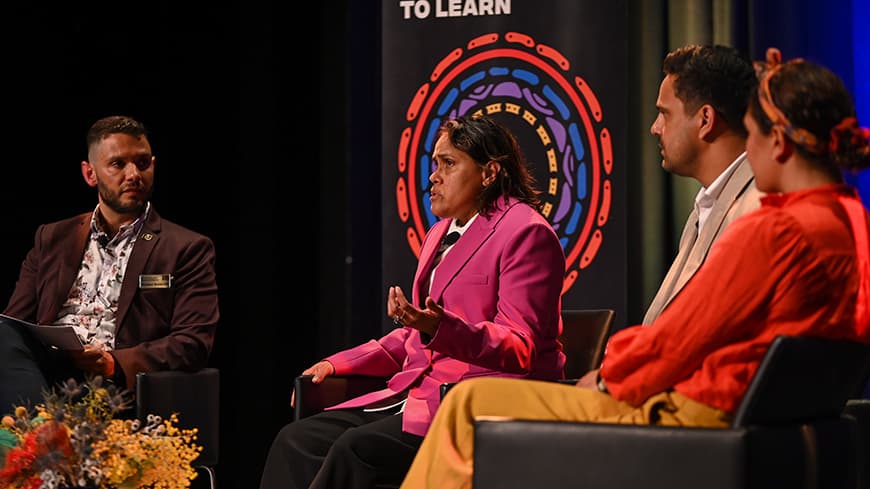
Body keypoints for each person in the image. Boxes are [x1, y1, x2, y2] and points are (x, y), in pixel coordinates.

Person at [400, 48, 870, 488]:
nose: (747, 146)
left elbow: (683, 335)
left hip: (692, 414)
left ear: (779, 142)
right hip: (747, 416)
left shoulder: (776, 227)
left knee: (465, 403)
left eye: (751, 132)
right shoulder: (851, 218)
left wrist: (607, 376)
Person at [259, 114, 566, 489]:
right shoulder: (439, 232)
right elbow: (411, 339)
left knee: (355, 450)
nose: (434, 176)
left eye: (449, 164)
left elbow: (521, 346)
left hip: (476, 404)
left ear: (489, 173)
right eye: (435, 164)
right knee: (296, 440)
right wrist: (335, 364)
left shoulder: (526, 233)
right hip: (417, 395)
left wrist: (440, 328)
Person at [0, 115, 219, 412]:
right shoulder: (52, 237)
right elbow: (14, 324)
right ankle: (41, 433)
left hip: (111, 382)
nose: (133, 174)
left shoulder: (186, 247)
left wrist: (114, 362)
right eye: (118, 164)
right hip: (44, 374)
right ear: (90, 174)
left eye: (142, 163)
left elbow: (192, 343)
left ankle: (39, 437)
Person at [643, 44, 763, 324]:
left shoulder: (754, 210)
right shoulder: (705, 207)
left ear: (705, 120)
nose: (655, 127)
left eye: (665, 113)